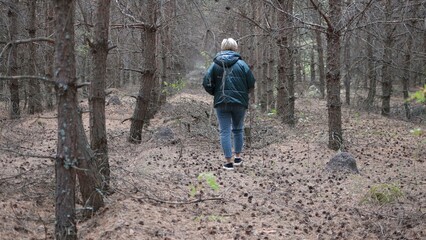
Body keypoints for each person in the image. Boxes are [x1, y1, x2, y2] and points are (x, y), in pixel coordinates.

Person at [202, 38, 256, 170]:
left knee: (225, 131)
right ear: (235, 47)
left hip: (222, 102)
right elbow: (251, 83)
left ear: (222, 47)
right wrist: (243, 94)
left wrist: (215, 93)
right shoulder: (242, 64)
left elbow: (206, 82)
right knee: (238, 129)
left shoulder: (215, 64)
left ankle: (228, 162)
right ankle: (237, 157)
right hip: (240, 102)